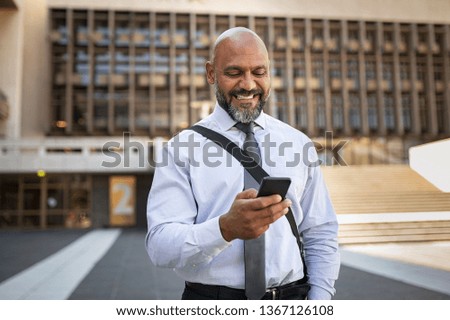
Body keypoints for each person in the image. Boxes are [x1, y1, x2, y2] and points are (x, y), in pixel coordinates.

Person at [146, 27, 340, 300]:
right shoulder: (180, 149)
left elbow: (320, 232)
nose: (248, 85)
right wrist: (224, 229)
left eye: (258, 72)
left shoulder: (298, 143)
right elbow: (160, 246)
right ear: (211, 73)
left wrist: (319, 301)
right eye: (234, 72)